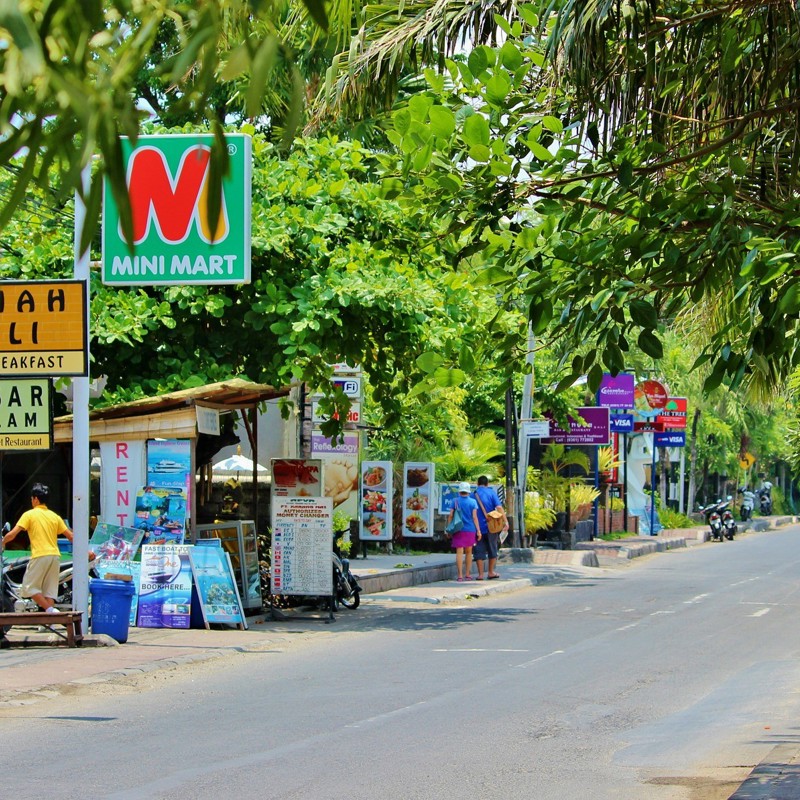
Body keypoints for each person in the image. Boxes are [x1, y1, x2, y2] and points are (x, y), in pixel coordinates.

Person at [0, 483, 74, 613]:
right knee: (49, 592)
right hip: (55, 557)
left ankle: (50, 610)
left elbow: (12, 534)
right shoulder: (54, 516)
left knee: (28, 588)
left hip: (40, 555)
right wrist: (86, 551)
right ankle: (51, 619)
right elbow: (71, 536)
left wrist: (3, 542)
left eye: (31, 498)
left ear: (35, 499)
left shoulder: (29, 515)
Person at [472, 475, 509, 580]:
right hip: (491, 527)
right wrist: (505, 521)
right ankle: (491, 572)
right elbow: (499, 508)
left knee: (478, 551)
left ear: (477, 483)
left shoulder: (472, 495)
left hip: (477, 528)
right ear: (487, 484)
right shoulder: (491, 493)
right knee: (492, 549)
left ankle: (480, 575)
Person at [447, 481, 480, 582]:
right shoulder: (473, 502)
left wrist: (449, 528)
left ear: (459, 491)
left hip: (458, 529)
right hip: (470, 529)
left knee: (459, 552)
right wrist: (478, 530)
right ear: (468, 491)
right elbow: (474, 517)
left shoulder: (455, 501)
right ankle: (468, 574)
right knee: (469, 552)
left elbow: (451, 515)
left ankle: (460, 575)